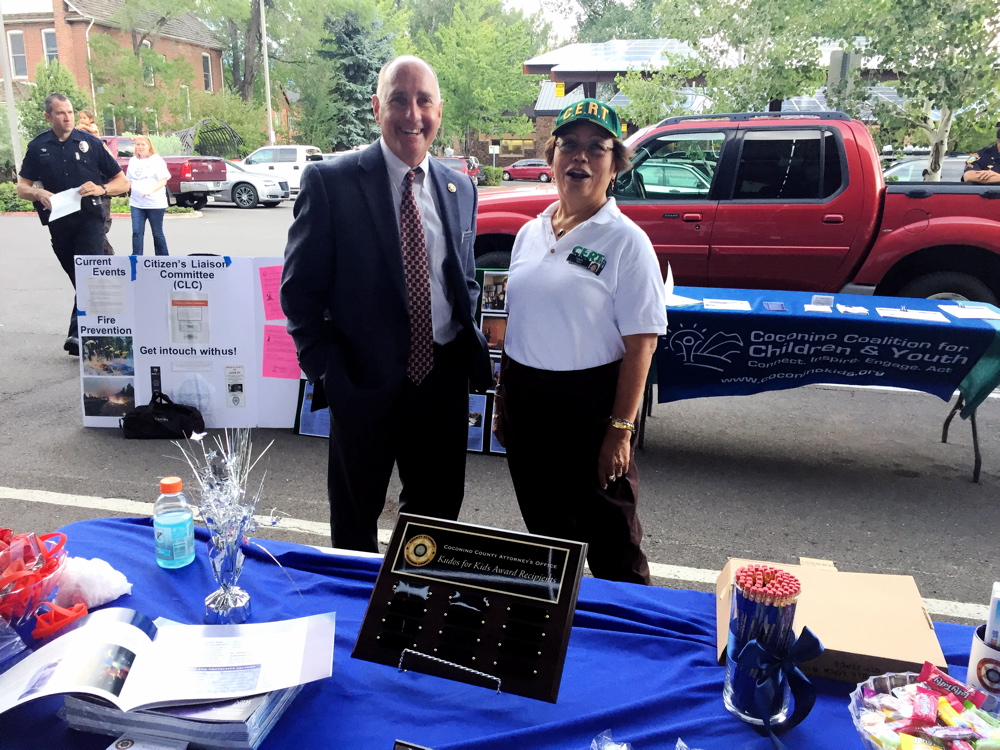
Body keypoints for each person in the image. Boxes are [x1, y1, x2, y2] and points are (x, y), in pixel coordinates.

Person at [280, 56, 492, 552]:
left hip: (440, 386)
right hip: (362, 382)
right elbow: (299, 293)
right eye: (399, 99)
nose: (412, 114)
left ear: (438, 111)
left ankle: (414, 615)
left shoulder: (460, 187)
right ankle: (357, 622)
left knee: (437, 521)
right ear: (378, 108)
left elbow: (462, 280)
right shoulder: (330, 183)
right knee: (354, 525)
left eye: (423, 101)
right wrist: (328, 372)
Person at [493, 99, 667, 585]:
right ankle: (556, 640)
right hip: (528, 402)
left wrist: (620, 429)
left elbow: (642, 345)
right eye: (568, 146)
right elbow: (518, 321)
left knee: (613, 545)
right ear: (551, 158)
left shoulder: (627, 242)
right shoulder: (529, 233)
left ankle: (631, 642)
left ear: (615, 166)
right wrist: (504, 400)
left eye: (597, 148)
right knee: (547, 539)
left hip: (592, 408)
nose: (580, 158)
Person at [18, 93, 129, 356]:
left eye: (70, 112)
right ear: (48, 117)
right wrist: (38, 193)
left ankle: (79, 334)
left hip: (90, 219)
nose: (67, 117)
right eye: (60, 113)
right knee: (79, 277)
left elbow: (122, 182)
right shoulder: (38, 147)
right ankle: (93, 331)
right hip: (59, 220)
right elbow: (22, 187)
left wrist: (101, 188)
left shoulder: (90, 143)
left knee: (88, 273)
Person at [77, 109, 116, 256]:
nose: (81, 120)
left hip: (102, 189)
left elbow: (115, 173)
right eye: (80, 118)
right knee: (91, 227)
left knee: (101, 226)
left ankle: (108, 256)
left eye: (84, 118)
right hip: (87, 191)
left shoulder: (97, 142)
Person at [126, 135, 171, 256]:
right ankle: (136, 259)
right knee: (137, 232)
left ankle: (163, 259)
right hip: (137, 203)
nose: (140, 147)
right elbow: (129, 180)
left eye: (143, 145)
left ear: (149, 146)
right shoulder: (133, 160)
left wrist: (150, 191)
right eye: (138, 144)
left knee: (157, 233)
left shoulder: (156, 160)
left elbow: (163, 180)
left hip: (155, 203)